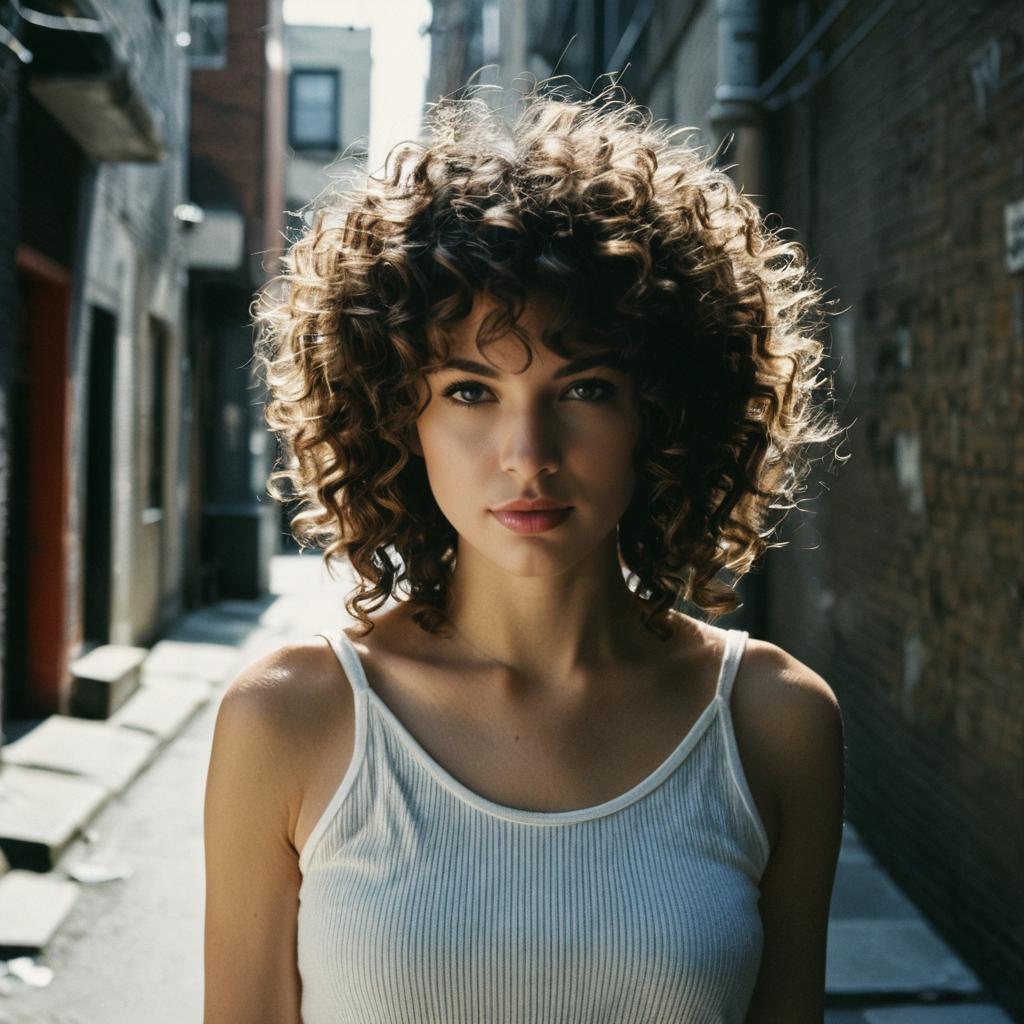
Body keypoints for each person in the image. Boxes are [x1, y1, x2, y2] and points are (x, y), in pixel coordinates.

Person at [203, 79, 847, 1024]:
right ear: (395, 416)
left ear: (661, 413)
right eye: (470, 391)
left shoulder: (775, 723)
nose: (529, 455)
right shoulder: (291, 721)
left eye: (583, 388)